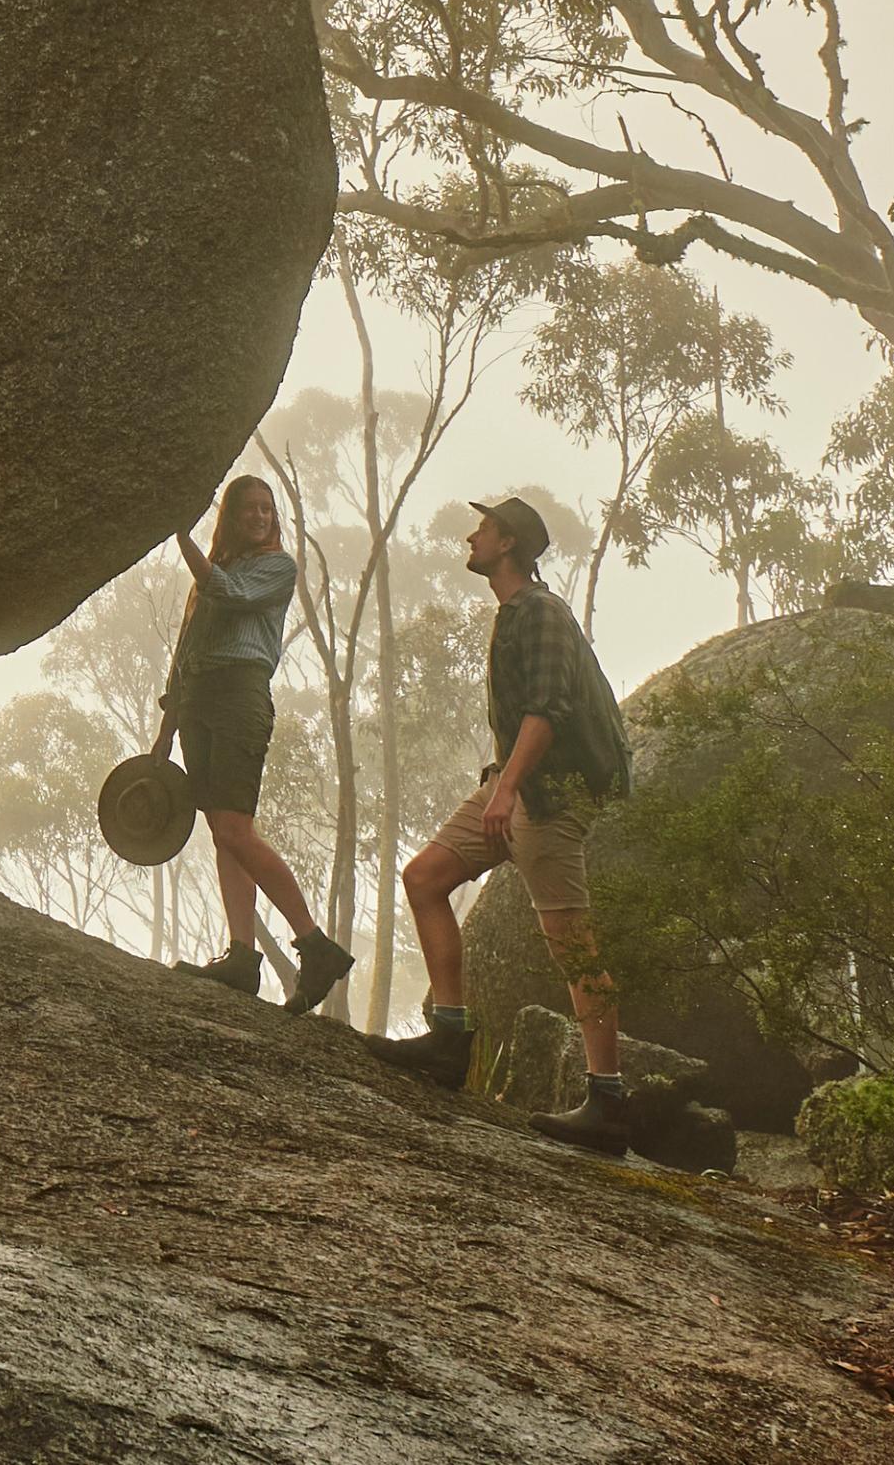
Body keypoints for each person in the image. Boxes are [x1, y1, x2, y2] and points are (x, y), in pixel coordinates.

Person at [371, 494, 638, 1155]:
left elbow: (547, 710)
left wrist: (509, 788)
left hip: (547, 798)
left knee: (571, 943)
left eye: (484, 529)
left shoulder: (543, 613)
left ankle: (609, 1101)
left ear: (509, 543)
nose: (472, 536)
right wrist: (500, 786)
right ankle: (449, 1038)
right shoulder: (514, 613)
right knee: (426, 876)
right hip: (511, 789)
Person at [151, 475, 354, 1014]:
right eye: (250, 509)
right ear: (233, 517)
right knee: (223, 832)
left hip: (241, 695)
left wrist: (181, 538)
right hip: (197, 699)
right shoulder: (212, 576)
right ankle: (241, 957)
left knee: (237, 828)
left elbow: (231, 593)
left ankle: (315, 945)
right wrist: (165, 732)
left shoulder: (276, 568)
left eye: (268, 509)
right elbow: (185, 651)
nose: (261, 517)